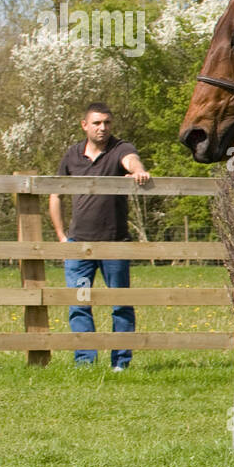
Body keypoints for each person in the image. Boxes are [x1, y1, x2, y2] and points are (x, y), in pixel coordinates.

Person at [48, 103, 151, 371]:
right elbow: (55, 194)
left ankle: (121, 363)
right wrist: (61, 236)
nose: (102, 128)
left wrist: (137, 170)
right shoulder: (72, 154)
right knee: (80, 303)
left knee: (120, 304)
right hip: (79, 247)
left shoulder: (120, 148)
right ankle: (85, 362)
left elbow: (131, 160)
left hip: (115, 245)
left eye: (107, 123)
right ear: (85, 125)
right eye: (96, 123)